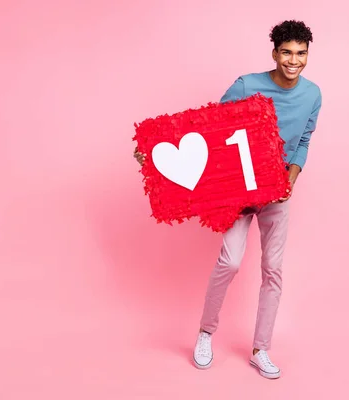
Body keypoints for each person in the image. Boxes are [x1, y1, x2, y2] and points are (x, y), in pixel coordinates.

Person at [134, 20, 322, 379]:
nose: (293, 60)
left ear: (308, 55)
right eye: (286, 52)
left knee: (273, 270)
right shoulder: (247, 85)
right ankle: (206, 333)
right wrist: (154, 153)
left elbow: (304, 140)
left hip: (277, 190)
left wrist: (291, 179)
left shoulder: (313, 94)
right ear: (275, 53)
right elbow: (206, 129)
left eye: (300, 53)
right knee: (231, 261)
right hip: (240, 186)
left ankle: (260, 348)